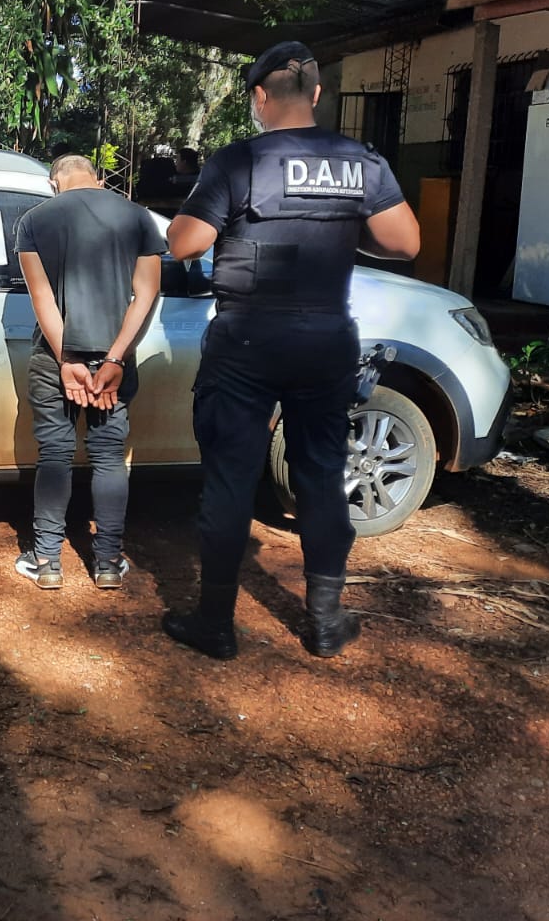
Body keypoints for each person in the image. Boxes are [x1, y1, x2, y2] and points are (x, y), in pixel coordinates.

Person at [161, 41, 420, 660]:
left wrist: (200, 221)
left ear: (258, 98)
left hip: (247, 339)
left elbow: (184, 245)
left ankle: (216, 625)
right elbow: (404, 242)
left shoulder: (238, 161)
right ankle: (325, 623)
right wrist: (344, 236)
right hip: (327, 339)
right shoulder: (360, 161)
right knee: (322, 476)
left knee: (229, 479)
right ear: (316, 94)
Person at [13, 154, 166, 589]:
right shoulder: (138, 217)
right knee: (108, 457)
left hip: (55, 360)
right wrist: (115, 357)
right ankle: (107, 562)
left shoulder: (34, 220)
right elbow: (146, 293)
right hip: (114, 362)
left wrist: (69, 360)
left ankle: (46, 562)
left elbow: (41, 298)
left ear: (54, 183)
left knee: (55, 455)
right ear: (97, 178)